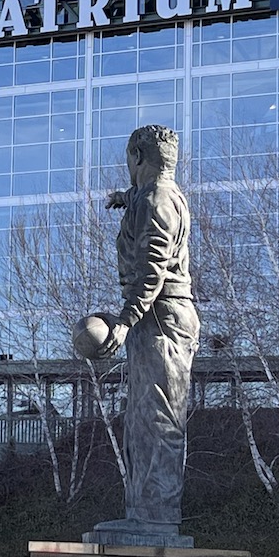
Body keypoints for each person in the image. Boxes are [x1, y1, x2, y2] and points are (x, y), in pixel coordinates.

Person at [106, 124, 200, 535]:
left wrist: (125, 321)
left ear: (137, 156)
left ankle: (157, 519)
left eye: (129, 158)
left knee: (159, 418)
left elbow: (152, 271)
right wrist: (122, 198)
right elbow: (144, 197)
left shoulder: (158, 199)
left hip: (160, 317)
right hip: (157, 318)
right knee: (143, 418)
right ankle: (142, 513)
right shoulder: (152, 195)